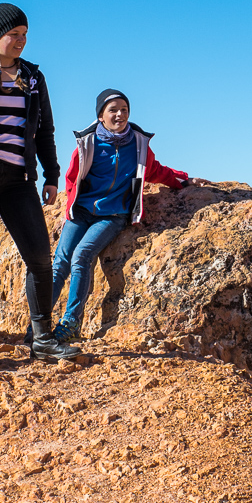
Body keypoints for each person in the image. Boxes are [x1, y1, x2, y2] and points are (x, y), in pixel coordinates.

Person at [0, 3, 80, 366]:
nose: (21, 41)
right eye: (14, 34)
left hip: (19, 179)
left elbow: (45, 130)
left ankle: (43, 339)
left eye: (25, 35)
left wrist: (51, 175)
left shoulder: (33, 77)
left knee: (40, 258)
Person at [50, 89, 195, 341]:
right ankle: (39, 323)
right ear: (101, 116)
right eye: (113, 110)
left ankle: (71, 323)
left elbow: (154, 170)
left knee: (82, 255)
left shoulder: (138, 143)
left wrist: (183, 180)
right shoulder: (89, 142)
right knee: (60, 263)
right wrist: (69, 208)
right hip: (81, 211)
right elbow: (72, 177)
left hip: (113, 215)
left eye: (124, 110)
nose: (120, 114)